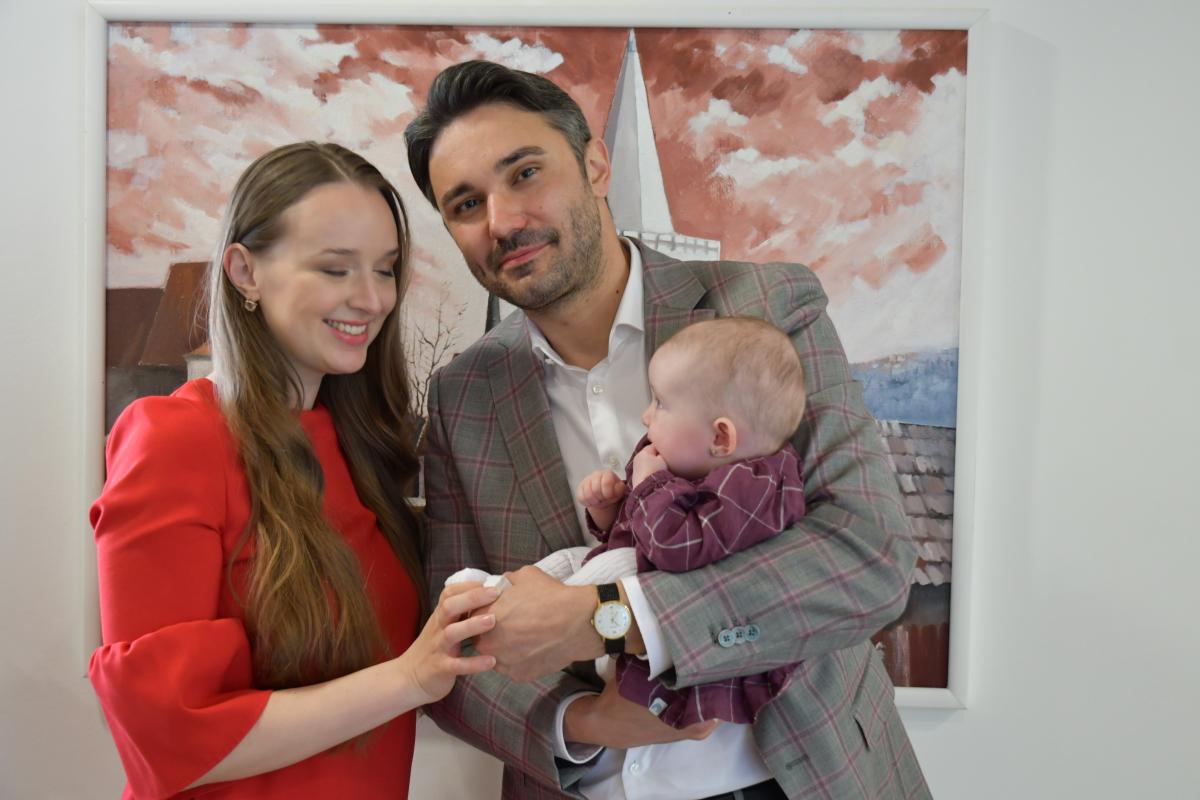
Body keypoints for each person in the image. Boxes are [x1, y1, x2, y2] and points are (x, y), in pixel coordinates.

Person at [405, 61, 931, 799]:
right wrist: (580, 721)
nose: (503, 220)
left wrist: (609, 619)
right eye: (466, 203)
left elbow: (867, 554)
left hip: (803, 778)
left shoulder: (768, 307)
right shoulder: (463, 396)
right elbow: (450, 651)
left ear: (594, 164)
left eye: (525, 173)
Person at [88, 142, 498, 800]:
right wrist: (410, 678)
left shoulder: (361, 445)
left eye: (386, 269)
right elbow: (167, 735)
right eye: (336, 269)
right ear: (244, 271)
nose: (372, 298)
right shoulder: (176, 440)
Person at [447, 317, 810, 730]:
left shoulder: (754, 488)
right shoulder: (693, 458)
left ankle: (536, 620)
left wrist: (650, 484)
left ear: (721, 438)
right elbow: (642, 532)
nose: (646, 416)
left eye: (661, 404)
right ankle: (498, 592)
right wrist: (611, 509)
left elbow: (674, 548)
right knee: (576, 557)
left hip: (675, 633)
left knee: (612, 565)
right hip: (641, 581)